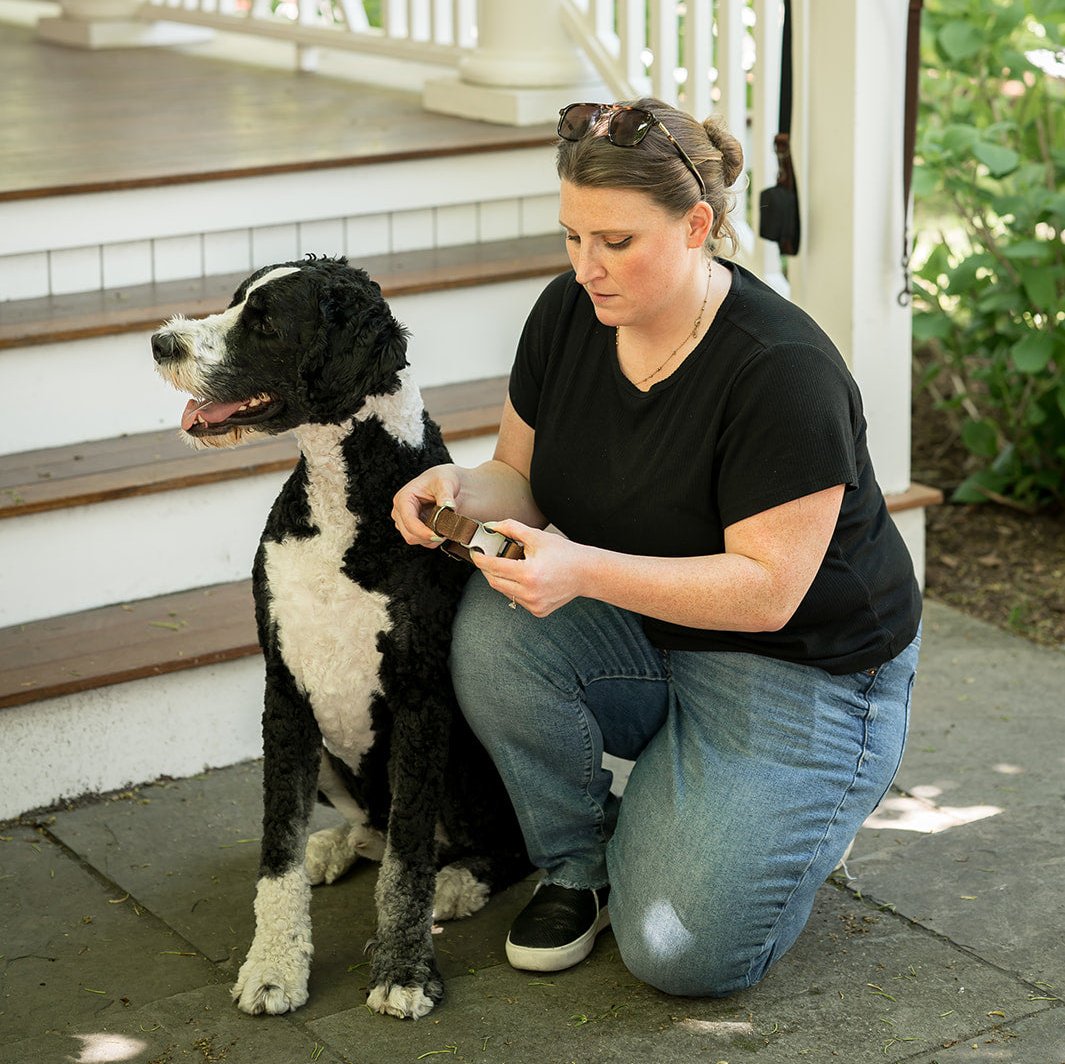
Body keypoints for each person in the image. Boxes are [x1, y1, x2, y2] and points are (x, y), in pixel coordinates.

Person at [392, 99, 922, 997]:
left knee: (680, 956)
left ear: (696, 226)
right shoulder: (567, 314)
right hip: (649, 624)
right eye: (571, 237)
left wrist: (582, 570)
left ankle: (794, 802)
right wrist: (459, 488)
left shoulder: (780, 370)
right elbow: (519, 476)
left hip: (803, 670)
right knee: (495, 636)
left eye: (615, 241)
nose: (585, 267)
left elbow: (766, 592)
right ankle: (579, 865)